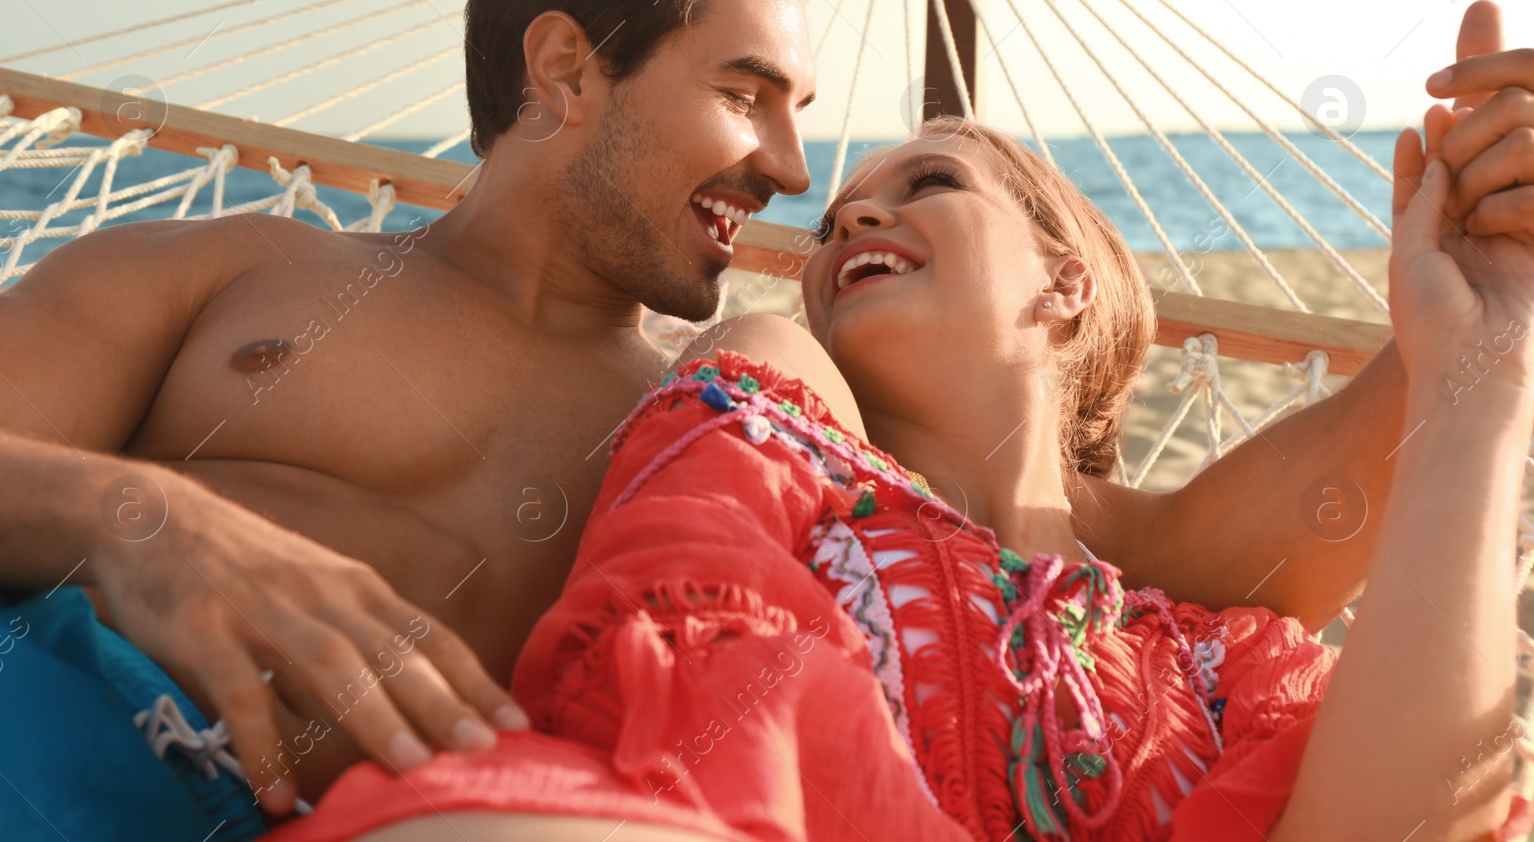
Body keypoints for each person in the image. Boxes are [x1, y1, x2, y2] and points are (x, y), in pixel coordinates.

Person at [0, 0, 1518, 836]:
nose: (791, 174)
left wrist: (1470, 291)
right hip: (24, 704)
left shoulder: (769, 431)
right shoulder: (241, 269)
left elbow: (1169, 543)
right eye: (748, 92)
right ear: (568, 70)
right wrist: (137, 516)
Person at [261, 94, 1534, 841]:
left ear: (1065, 281)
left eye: (926, 184)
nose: (855, 217)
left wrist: (1491, 366)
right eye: (832, 221)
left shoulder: (1218, 652)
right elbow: (699, 662)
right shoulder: (781, 409)